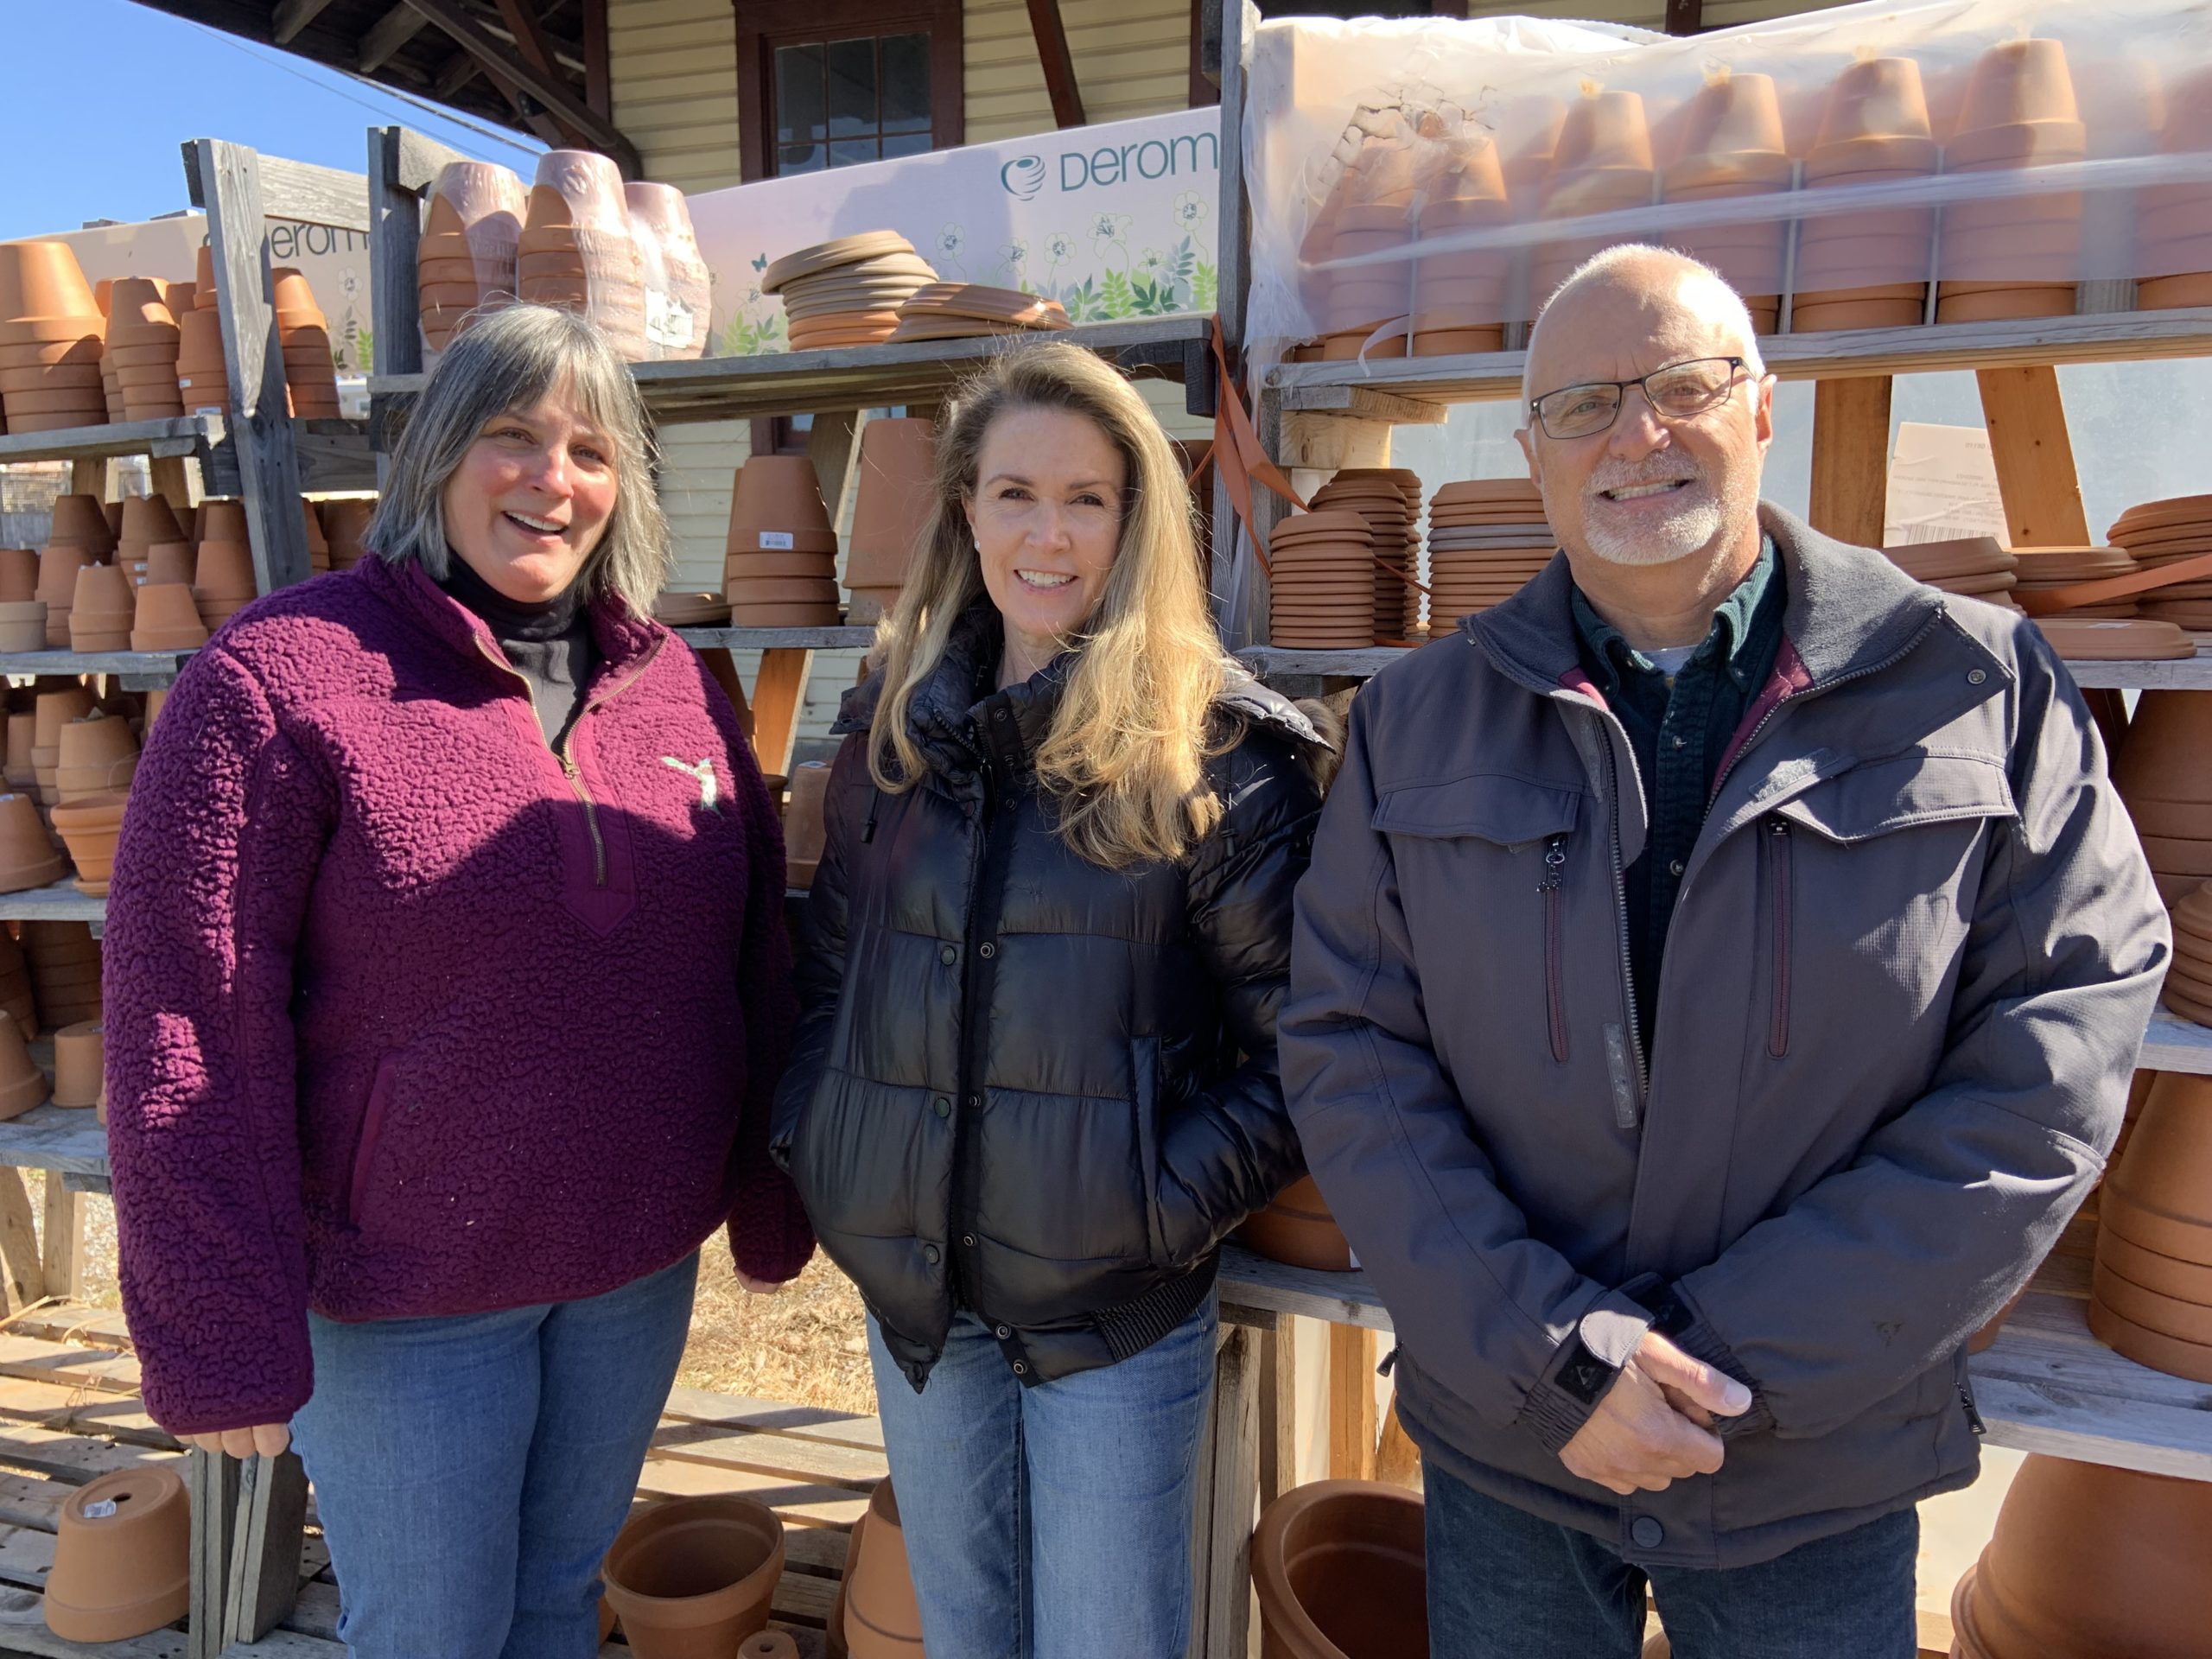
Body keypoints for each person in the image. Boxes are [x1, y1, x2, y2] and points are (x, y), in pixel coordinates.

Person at [1281, 245, 2166, 1658]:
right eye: (1583, 406)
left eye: (1681, 386)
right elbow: (1352, 1051)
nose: (1636, 435)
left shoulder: (1979, 687)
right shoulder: (1415, 722)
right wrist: (1563, 1359)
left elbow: (2057, 1049)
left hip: (1810, 1465)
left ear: (1763, 411)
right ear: (1532, 451)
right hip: (1519, 1445)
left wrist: (1728, 1367)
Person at [104, 303, 809, 1659]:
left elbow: (748, 958)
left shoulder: (674, 686)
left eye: (592, 449)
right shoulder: (285, 678)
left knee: (556, 1605)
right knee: (431, 1631)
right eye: (513, 435)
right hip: (408, 1293)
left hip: (631, 1261)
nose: (554, 478)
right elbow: (182, 1013)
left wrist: (768, 1199)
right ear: (435, 454)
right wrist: (215, 1329)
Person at [773, 341, 1323, 1658]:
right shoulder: (892, 733)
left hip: (1113, 1319)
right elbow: (832, 976)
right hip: (922, 1303)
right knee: (964, 1637)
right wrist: (825, 1139)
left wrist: (1148, 1201)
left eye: (1087, 499)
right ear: (964, 508)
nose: (1048, 534)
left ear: (1136, 521)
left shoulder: (1215, 752)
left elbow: (1306, 1043)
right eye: (1016, 493)